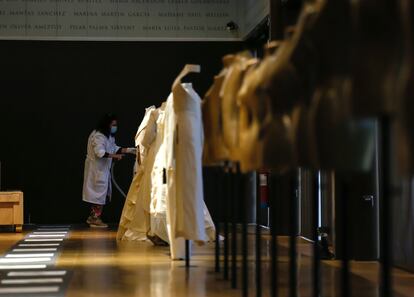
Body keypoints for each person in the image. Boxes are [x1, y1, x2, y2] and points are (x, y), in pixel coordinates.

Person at [82, 113, 135, 228]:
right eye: (113, 125)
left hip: (102, 170)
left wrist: (130, 150)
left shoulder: (108, 136)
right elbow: (100, 153)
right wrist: (115, 156)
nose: (115, 127)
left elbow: (114, 148)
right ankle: (95, 218)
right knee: (98, 195)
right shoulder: (98, 136)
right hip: (97, 170)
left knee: (101, 194)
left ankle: (93, 217)